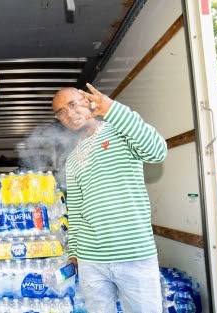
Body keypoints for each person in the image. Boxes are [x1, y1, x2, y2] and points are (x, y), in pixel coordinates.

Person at [52, 83, 167, 313]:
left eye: (73, 104)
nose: (69, 114)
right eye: (61, 112)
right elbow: (75, 210)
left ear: (88, 101)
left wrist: (113, 109)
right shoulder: (72, 159)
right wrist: (74, 253)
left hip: (133, 255)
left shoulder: (120, 130)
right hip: (91, 261)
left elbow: (157, 151)